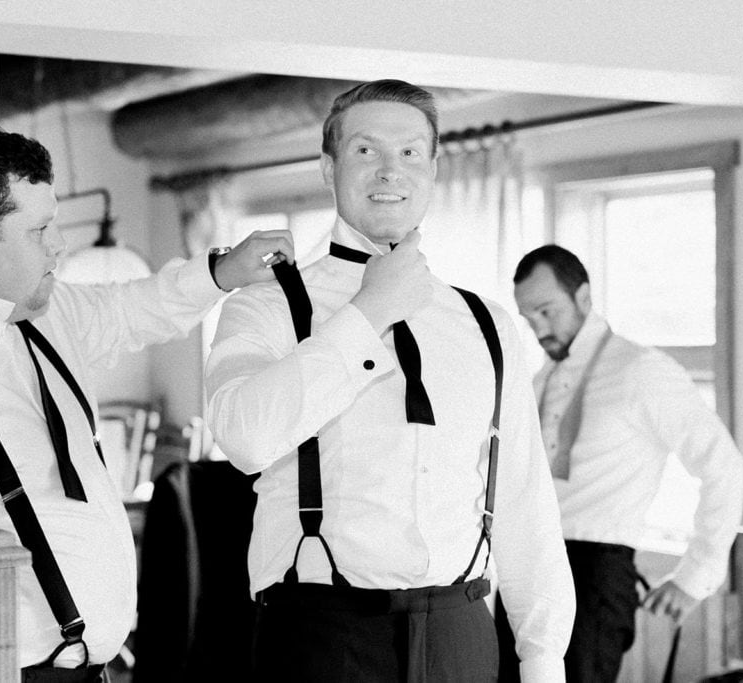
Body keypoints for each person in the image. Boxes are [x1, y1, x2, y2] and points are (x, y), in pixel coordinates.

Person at [0, 123, 294, 681]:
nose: (60, 245)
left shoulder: (46, 314)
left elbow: (133, 308)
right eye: (40, 229)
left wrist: (222, 272)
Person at [205, 79, 574, 683]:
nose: (389, 171)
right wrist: (369, 312)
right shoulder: (266, 305)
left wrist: (543, 658)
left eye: (409, 153)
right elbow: (244, 440)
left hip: (462, 633)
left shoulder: (487, 324)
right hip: (322, 636)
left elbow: (524, 501)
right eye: (365, 151)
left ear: (432, 168)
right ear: (329, 168)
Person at [507, 244, 743, 682]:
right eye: (528, 318)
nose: (538, 329)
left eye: (546, 311)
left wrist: (695, 576)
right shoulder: (539, 378)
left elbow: (724, 466)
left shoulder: (642, 371)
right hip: (529, 569)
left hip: (596, 575)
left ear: (583, 296)